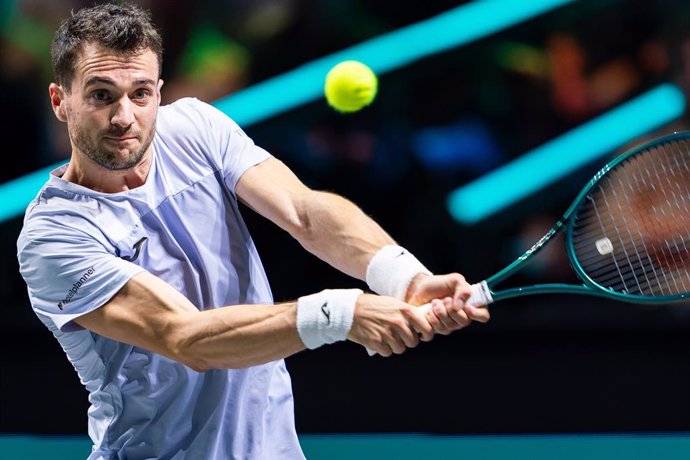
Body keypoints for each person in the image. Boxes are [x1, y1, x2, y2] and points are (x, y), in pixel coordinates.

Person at [17, 3, 489, 459]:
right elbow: (185, 337)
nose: (124, 117)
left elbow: (303, 210)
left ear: (158, 92)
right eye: (101, 95)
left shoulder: (195, 127)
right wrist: (340, 313)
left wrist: (401, 276)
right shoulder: (52, 236)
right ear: (61, 101)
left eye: (140, 94)